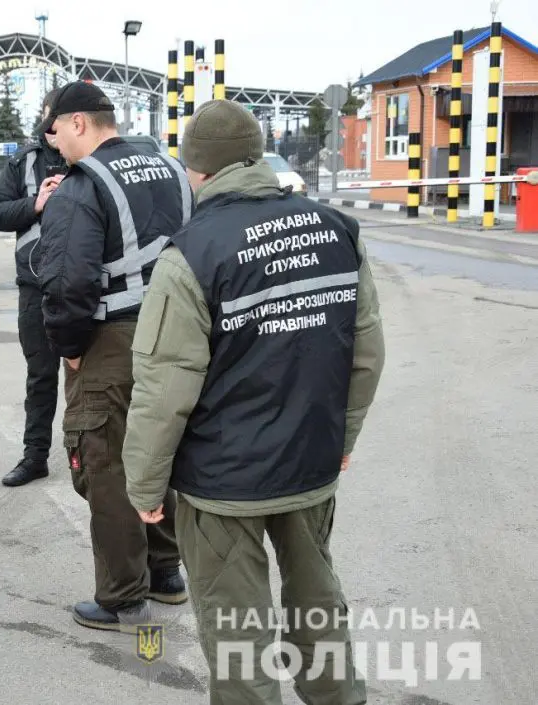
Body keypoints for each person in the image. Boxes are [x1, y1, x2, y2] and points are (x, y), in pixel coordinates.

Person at [122, 100, 385, 704]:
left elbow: (165, 387)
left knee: (238, 632)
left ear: (198, 170)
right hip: (311, 465)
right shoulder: (337, 231)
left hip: (223, 484)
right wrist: (340, 441)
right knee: (318, 603)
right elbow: (365, 355)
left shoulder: (190, 253)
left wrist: (144, 483)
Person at [36, 81, 193, 632]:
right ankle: (166, 572)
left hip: (114, 342)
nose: (53, 145)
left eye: (54, 131)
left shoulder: (82, 187)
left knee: (106, 464)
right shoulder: (171, 169)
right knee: (161, 452)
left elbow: (64, 283)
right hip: (177, 336)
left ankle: (123, 598)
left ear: (79, 123)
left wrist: (70, 350)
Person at [0, 88, 67, 487]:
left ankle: (83, 455)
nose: (54, 126)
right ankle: (35, 456)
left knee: (90, 378)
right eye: (50, 117)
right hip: (35, 288)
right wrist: (35, 203)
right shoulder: (24, 163)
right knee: (41, 376)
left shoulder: (91, 161)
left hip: (86, 286)